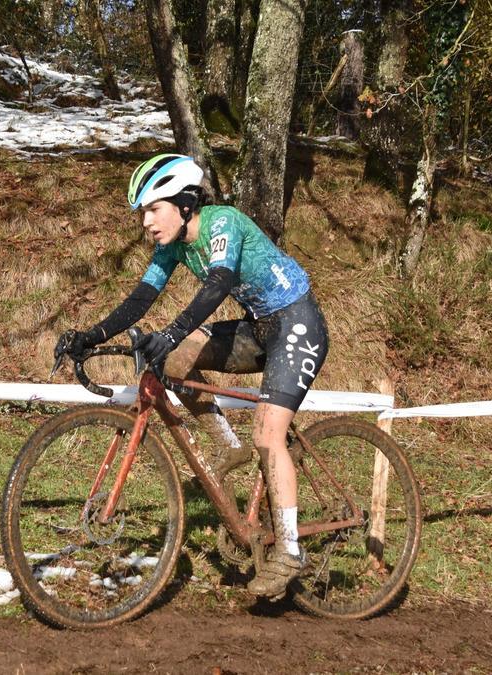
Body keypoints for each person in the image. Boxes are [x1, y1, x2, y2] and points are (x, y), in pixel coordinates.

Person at [55, 153, 330, 599]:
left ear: (185, 204)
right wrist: (92, 334)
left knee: (268, 434)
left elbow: (219, 283)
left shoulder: (223, 223)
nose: (146, 221)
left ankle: (291, 551)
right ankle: (229, 448)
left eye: (153, 208)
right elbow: (141, 298)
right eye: (142, 212)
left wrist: (173, 330)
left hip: (297, 325)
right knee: (177, 360)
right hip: (259, 328)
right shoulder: (175, 246)